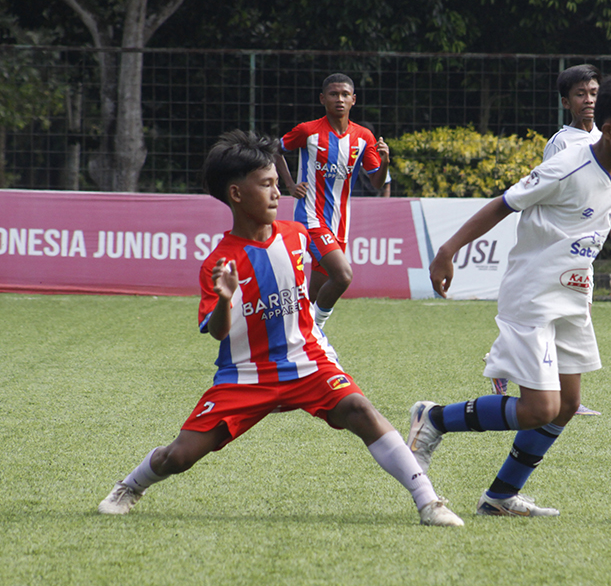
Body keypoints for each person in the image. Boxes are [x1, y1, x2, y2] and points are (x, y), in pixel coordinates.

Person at [98, 130, 462, 527]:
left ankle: (429, 502)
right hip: (246, 375)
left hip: (307, 360)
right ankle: (130, 485)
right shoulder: (219, 263)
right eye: (267, 184)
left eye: (276, 183)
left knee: (360, 410)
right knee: (179, 457)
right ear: (236, 194)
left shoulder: (297, 234)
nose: (277, 193)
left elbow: (327, 277)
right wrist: (224, 299)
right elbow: (218, 332)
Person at [408, 70, 611, 517]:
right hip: (533, 293)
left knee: (567, 405)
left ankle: (499, 497)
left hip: (574, 295)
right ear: (609, 130)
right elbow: (503, 204)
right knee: (541, 408)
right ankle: (434, 418)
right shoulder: (566, 166)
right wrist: (446, 251)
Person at [487, 64, 606, 416]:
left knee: (578, 312)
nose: (589, 100)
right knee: (551, 314)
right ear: (566, 102)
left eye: (594, 93)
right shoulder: (561, 142)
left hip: (585, 244)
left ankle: (567, 398)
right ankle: (506, 366)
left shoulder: (607, 138)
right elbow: (551, 190)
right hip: (556, 244)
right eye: (580, 94)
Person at [274, 73, 390, 331]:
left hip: (339, 225)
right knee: (343, 276)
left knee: (314, 293)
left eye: (345, 94)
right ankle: (314, 332)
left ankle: (290, 333)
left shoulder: (364, 137)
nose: (340, 99)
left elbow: (376, 182)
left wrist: (384, 163)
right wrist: (290, 185)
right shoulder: (308, 131)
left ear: (353, 100)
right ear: (322, 98)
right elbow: (276, 149)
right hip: (311, 218)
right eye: (334, 94)